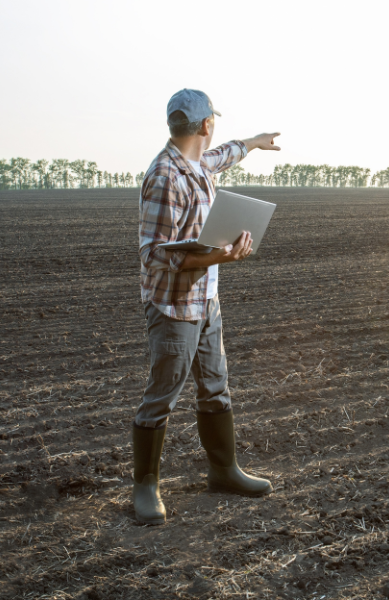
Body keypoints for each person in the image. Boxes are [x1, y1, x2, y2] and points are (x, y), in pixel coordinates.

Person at [133, 88, 280, 525]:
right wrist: (219, 255)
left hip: (206, 301)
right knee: (162, 396)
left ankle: (224, 471)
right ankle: (145, 488)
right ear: (204, 125)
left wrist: (253, 143)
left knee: (216, 388)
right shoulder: (164, 176)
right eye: (211, 124)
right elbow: (153, 253)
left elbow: (221, 157)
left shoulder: (196, 163)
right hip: (174, 307)